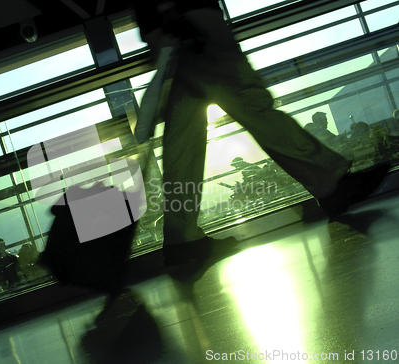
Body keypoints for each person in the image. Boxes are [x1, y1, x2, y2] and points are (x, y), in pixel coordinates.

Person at [130, 1, 390, 267]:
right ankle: (330, 183)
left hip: (164, 28)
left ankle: (182, 240)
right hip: (190, 19)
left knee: (183, 140)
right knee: (254, 107)